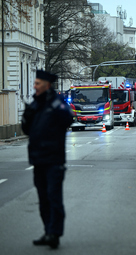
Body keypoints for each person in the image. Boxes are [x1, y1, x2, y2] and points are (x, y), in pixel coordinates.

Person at [22, 70, 74, 249]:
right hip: (38, 160)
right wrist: (26, 117)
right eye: (35, 83)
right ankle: (47, 230)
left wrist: (57, 110)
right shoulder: (36, 104)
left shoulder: (56, 103)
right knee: (43, 199)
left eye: (37, 83)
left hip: (54, 159)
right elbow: (28, 130)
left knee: (54, 197)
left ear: (46, 85)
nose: (34, 86)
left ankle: (55, 233)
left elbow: (68, 119)